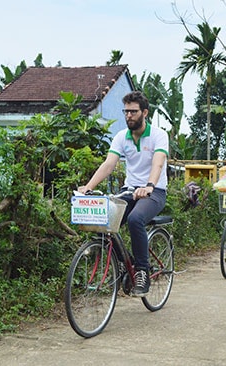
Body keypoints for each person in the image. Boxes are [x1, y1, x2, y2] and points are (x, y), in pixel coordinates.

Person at [78, 91, 168, 297]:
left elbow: (158, 162)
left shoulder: (158, 135)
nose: (128, 116)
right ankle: (124, 264)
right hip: (129, 191)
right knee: (104, 220)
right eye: (126, 111)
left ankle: (142, 272)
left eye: (133, 112)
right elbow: (109, 164)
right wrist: (88, 187)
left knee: (136, 219)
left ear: (145, 112)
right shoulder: (121, 137)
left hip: (154, 192)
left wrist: (149, 186)